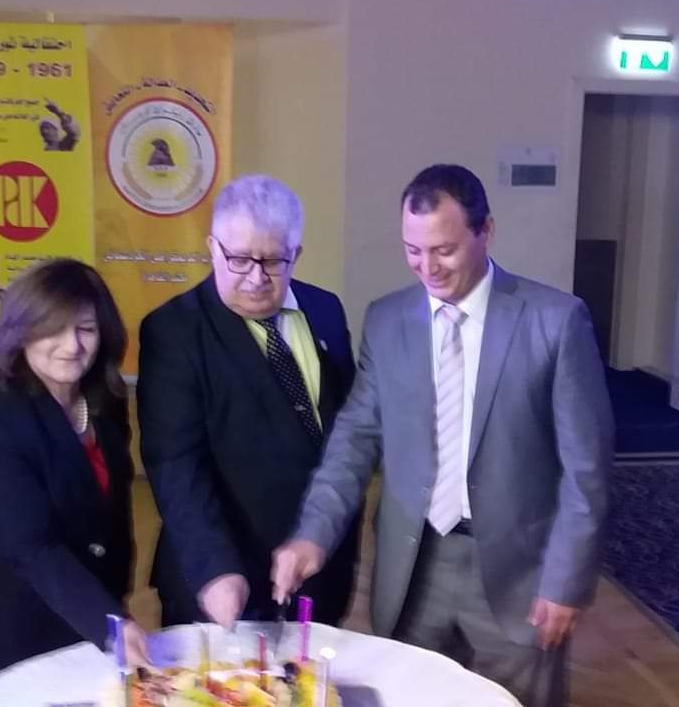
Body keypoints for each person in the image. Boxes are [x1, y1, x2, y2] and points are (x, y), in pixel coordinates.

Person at [272, 164, 614, 707]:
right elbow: (355, 440)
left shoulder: (555, 321)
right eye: (413, 250)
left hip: (519, 578)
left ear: (486, 231)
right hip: (415, 569)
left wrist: (565, 581)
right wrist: (313, 533)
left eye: (444, 250)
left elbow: (586, 470)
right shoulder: (388, 320)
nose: (427, 267)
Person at [0, 259, 150, 700]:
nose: (71, 345)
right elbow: (30, 546)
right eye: (53, 329)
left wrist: (115, 603)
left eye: (86, 329)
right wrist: (108, 622)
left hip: (68, 612)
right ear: (20, 332)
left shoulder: (104, 402)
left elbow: (112, 518)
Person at [137, 175, 358, 629]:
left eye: (273, 261)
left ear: (296, 253)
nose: (256, 278)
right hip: (224, 577)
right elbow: (175, 465)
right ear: (212, 248)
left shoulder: (326, 310)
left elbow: (346, 432)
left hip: (318, 569)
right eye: (238, 259)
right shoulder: (174, 330)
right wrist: (214, 568)